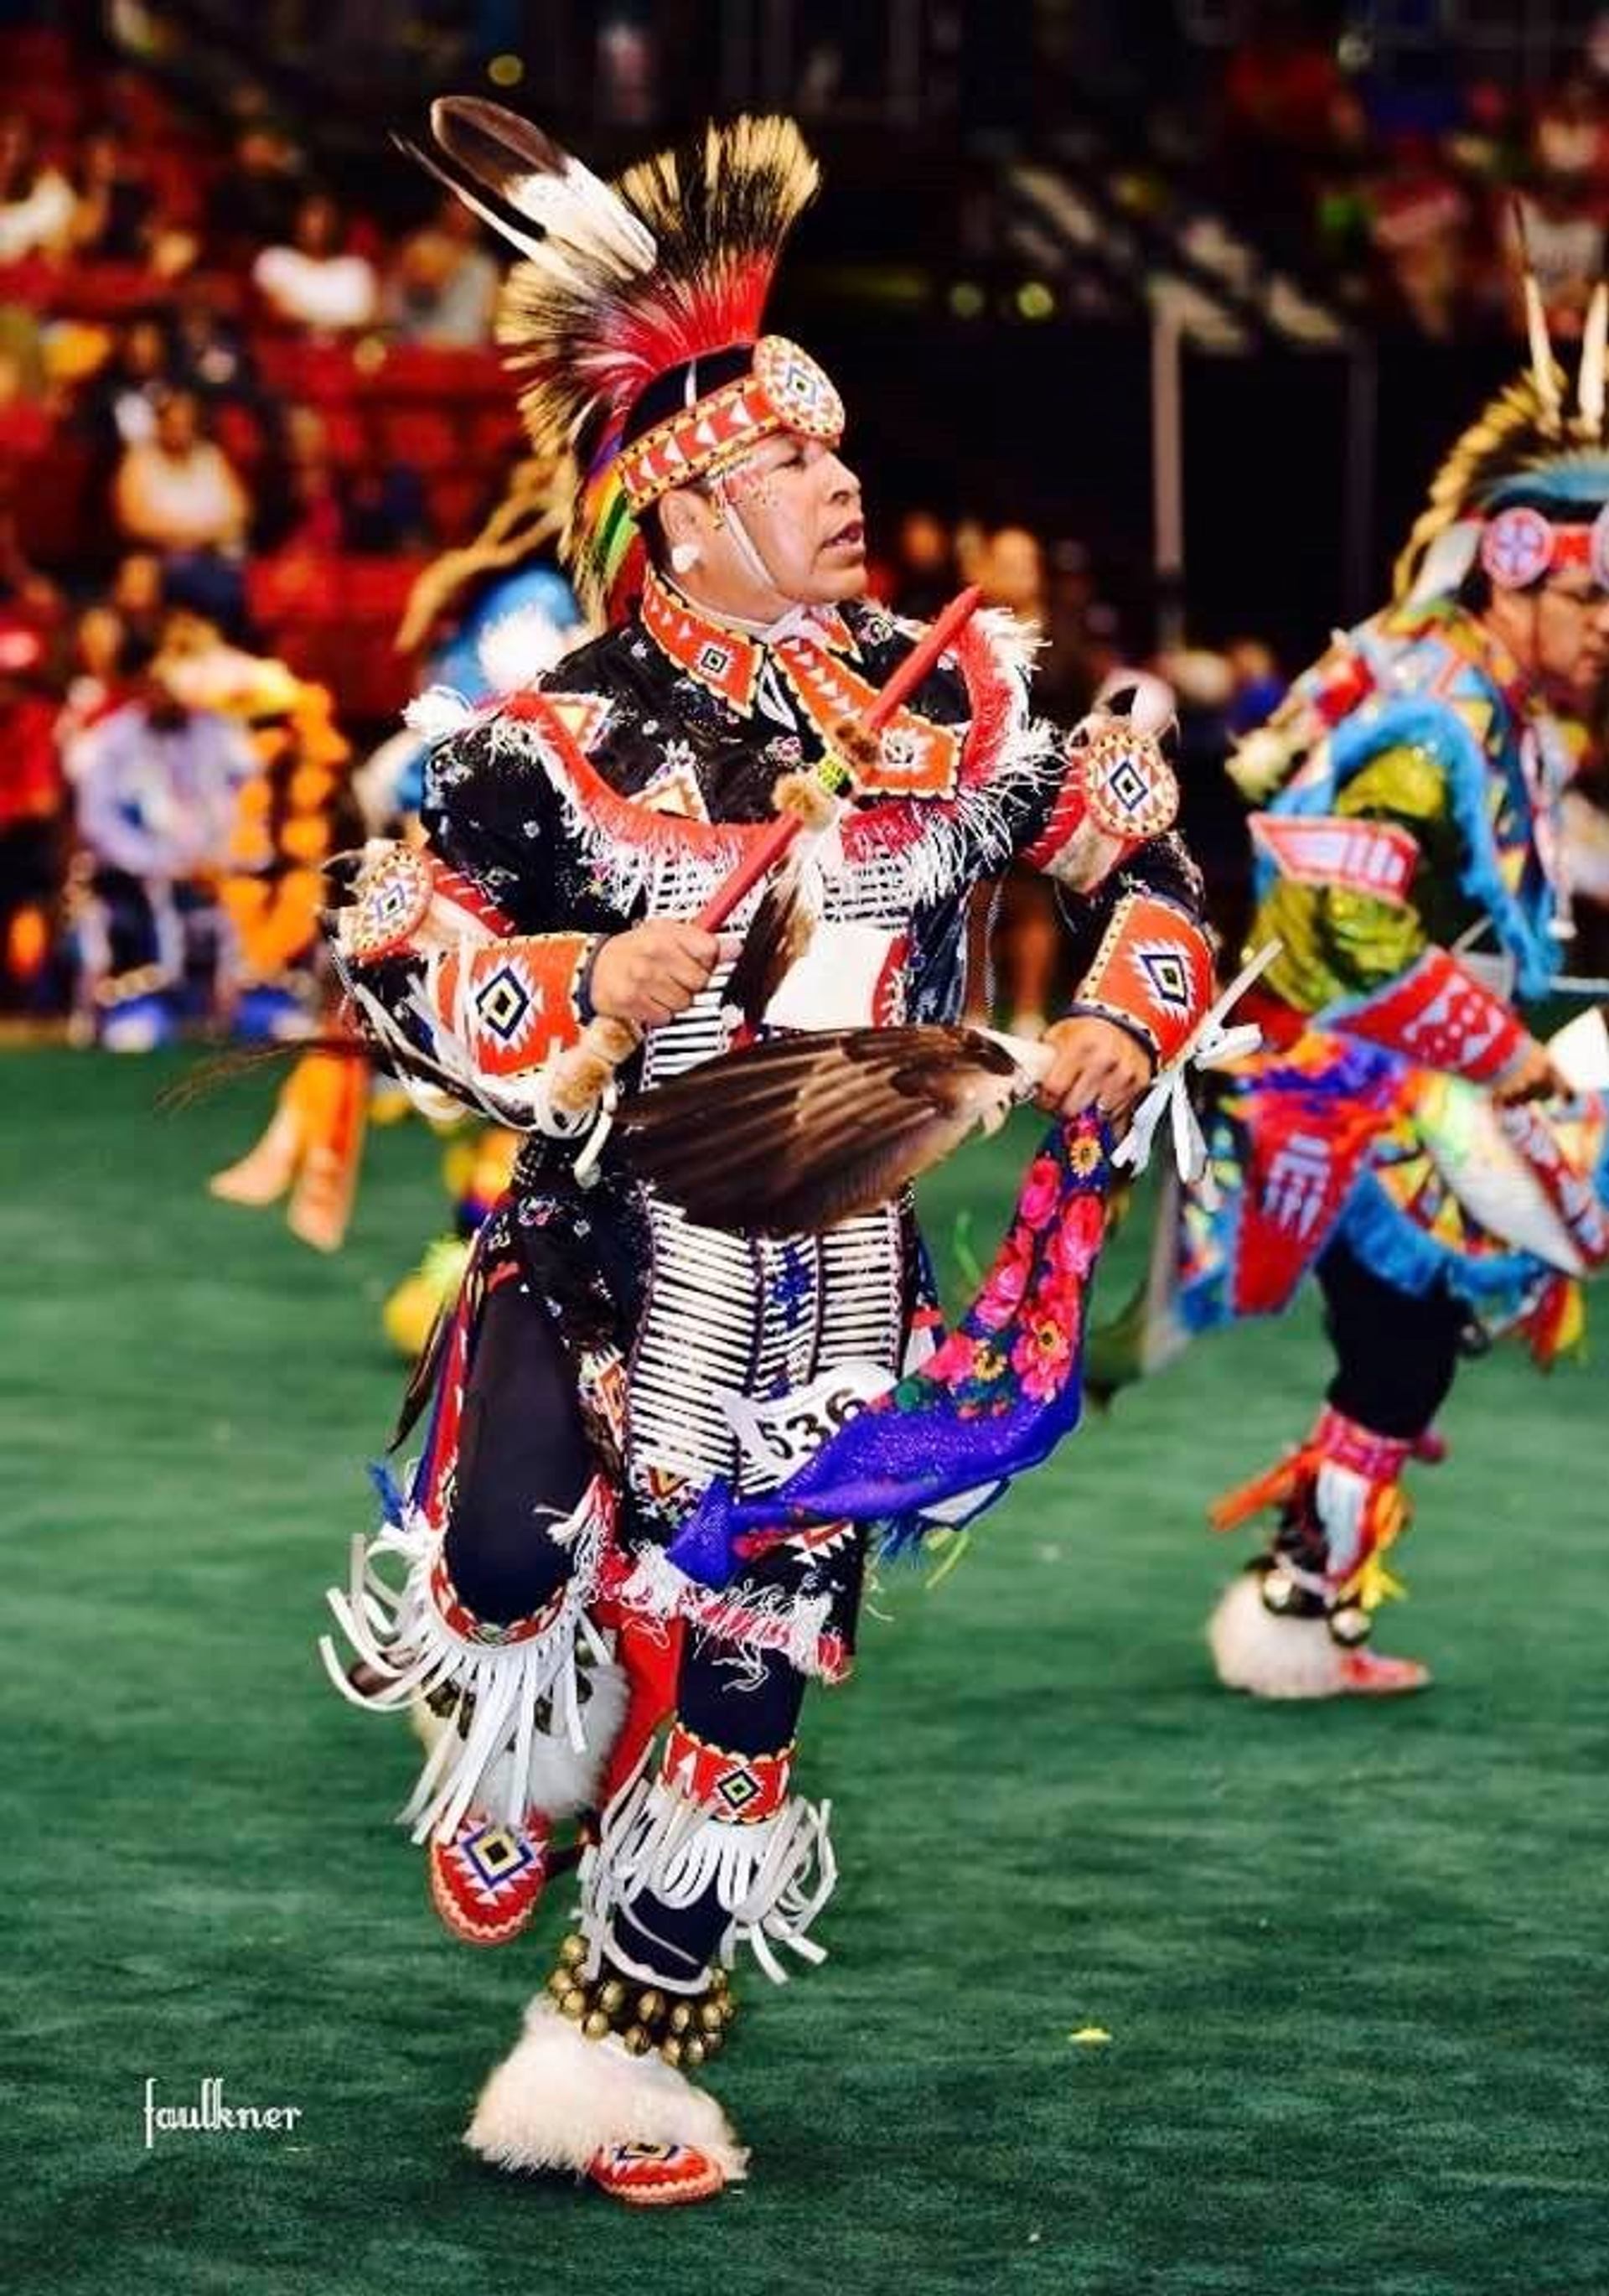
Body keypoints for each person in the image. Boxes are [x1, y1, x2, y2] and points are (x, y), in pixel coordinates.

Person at [321, 104, 1213, 2208]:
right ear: (684, 501)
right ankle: (516, 1733)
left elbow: (1150, 866)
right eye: (794, 458)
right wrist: (577, 979)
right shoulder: (543, 744)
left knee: (749, 1677)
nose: (843, 483)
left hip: (838, 1301)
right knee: (513, 1566)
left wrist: (1119, 1010)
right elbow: (389, 957)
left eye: (837, 450)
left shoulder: (948, 711)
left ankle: (608, 2058)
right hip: (598, 1255)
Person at [1169, 303, 1609, 1697]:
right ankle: (1298, 1607)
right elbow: (1334, 916)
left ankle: (1304, 1604)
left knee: (1401, 1354)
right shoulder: (1433, 711)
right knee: (1399, 1352)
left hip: (1398, 1078)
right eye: (1590, 597)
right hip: (1353, 1084)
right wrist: (1504, 1053)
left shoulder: (1484, 700)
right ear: (1514, 571)